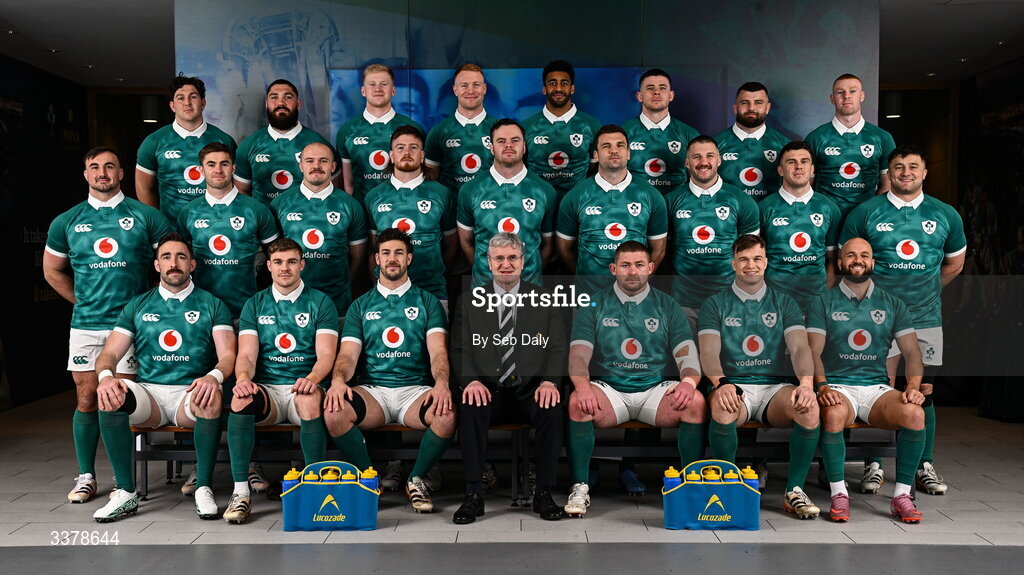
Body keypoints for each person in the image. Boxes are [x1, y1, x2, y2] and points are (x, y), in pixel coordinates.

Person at [43, 147, 173, 504]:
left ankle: (123, 480)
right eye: (95, 167)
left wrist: (148, 309)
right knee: (86, 397)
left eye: (110, 166)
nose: (102, 173)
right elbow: (52, 270)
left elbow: (170, 264)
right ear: (86, 175)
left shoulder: (146, 216)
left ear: (121, 174)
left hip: (131, 328)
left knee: (121, 401)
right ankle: (86, 476)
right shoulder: (66, 221)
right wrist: (82, 301)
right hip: (86, 324)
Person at [840, 145, 966, 496]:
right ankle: (873, 463)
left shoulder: (946, 214)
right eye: (898, 166)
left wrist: (924, 292)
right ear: (889, 173)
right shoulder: (865, 212)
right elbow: (850, 263)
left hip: (925, 318)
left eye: (913, 166)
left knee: (923, 392)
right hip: (873, 321)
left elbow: (954, 264)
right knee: (874, 388)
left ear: (925, 172)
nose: (905, 172)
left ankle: (923, 464)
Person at [91, 233, 236, 522]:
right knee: (110, 394)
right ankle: (125, 492)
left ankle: (203, 486)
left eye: (181, 257)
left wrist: (213, 376)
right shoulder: (138, 305)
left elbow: (229, 355)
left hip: (189, 395)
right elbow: (108, 355)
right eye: (166, 257)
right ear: (157, 265)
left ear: (192, 264)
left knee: (212, 394)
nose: (174, 263)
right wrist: (106, 377)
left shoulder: (212, 304)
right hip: (150, 395)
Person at [563, 241, 704, 517]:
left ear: (650, 268)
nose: (632, 272)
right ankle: (579, 487)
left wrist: (688, 382)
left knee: (695, 402)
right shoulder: (594, 304)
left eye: (639, 265)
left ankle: (690, 485)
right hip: (611, 390)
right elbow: (578, 355)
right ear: (613, 269)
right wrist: (582, 386)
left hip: (654, 390)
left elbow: (686, 354)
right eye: (625, 265)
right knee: (578, 402)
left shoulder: (667, 305)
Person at [324, 229, 456, 513]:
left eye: (398, 253)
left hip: (415, 391)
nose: (392, 259)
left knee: (446, 415)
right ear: (377, 259)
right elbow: (347, 355)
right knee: (334, 411)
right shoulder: (360, 305)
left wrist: (442, 383)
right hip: (374, 392)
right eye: (386, 253)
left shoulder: (428, 302)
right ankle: (369, 477)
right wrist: (338, 380)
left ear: (409, 258)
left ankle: (416, 479)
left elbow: (438, 352)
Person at [700, 235, 821, 519]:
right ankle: (726, 486)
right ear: (733, 264)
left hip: (773, 389)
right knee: (722, 405)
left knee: (809, 407)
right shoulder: (715, 303)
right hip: (733, 385)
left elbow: (800, 347)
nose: (750, 265)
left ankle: (794, 491)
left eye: (756, 259)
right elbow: (708, 351)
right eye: (743, 259)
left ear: (766, 263)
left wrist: (806, 384)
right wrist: (721, 383)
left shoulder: (785, 302)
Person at [450, 232, 567, 524]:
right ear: (488, 263)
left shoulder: (545, 300)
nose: (506, 264)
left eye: (512, 257)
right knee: (470, 405)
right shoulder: (468, 301)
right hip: (489, 391)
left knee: (552, 408)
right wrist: (471, 381)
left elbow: (557, 347)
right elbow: (460, 349)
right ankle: (473, 494)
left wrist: (550, 381)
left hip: (530, 391)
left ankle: (544, 492)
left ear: (523, 262)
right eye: (499, 258)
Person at [807, 237, 927, 523]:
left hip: (876, 389)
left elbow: (912, 353)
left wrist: (912, 388)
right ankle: (839, 494)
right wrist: (822, 386)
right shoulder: (822, 302)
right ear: (840, 262)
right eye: (850, 255)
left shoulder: (893, 303)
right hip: (838, 386)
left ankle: (902, 496)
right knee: (833, 414)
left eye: (864, 255)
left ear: (872, 262)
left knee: (915, 414)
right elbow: (813, 351)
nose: (857, 260)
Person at [224, 238, 339, 523]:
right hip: (270, 391)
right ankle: (240, 493)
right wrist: (242, 378)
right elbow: (247, 356)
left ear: (302, 265)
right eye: (278, 262)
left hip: (306, 385)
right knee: (240, 398)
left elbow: (326, 355)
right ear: (269, 266)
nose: (284, 268)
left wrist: (312, 378)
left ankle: (314, 488)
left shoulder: (320, 301)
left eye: (291, 262)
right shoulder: (255, 304)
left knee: (308, 399)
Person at [556, 125, 668, 294]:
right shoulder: (575, 196)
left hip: (635, 295)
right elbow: (564, 249)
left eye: (620, 145)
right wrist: (587, 277)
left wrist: (637, 282)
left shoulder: (651, 195)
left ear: (628, 153)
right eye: (606, 146)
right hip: (588, 296)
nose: (614, 150)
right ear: (596, 155)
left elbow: (658, 250)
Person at [664, 136, 760, 331]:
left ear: (719, 160)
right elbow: (663, 249)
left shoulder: (741, 200)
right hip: (683, 300)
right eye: (697, 157)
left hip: (729, 300)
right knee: (686, 350)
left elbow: (750, 256)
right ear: (687, 162)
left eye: (709, 156)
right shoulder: (670, 200)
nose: (704, 162)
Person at [177, 142, 279, 320]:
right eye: (211, 164)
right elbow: (183, 261)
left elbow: (277, 258)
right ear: (201, 170)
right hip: (201, 312)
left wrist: (260, 293)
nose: (218, 170)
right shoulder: (188, 212)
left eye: (224, 164)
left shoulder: (256, 210)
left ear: (233, 168)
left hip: (247, 312)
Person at [270, 142, 368, 318]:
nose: (316, 166)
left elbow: (358, 257)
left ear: (333, 166)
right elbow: (273, 253)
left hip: (337, 304)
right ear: (301, 166)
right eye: (310, 161)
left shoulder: (351, 205)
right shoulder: (280, 204)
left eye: (323, 161)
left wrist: (342, 282)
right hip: (291, 305)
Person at [364, 125, 457, 306]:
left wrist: (435, 272)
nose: (407, 152)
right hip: (386, 294)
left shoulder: (442, 194)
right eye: (400, 148)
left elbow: (451, 245)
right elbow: (372, 250)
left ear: (422, 155)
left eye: (413, 147)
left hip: (433, 292)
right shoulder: (374, 197)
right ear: (391, 155)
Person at [458, 118, 557, 286]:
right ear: (491, 147)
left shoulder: (545, 190)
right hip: (484, 290)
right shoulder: (470, 190)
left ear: (524, 147)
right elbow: (466, 243)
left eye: (515, 140)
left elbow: (547, 246)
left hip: (530, 289)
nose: (509, 145)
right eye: (501, 141)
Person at [136, 74, 238, 222]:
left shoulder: (224, 140)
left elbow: (236, 186)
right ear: (172, 106)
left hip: (216, 225)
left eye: (193, 97)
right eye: (180, 98)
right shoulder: (154, 141)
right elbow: (143, 188)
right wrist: (159, 224)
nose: (187, 103)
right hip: (172, 228)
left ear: (203, 103)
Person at [758, 141, 842, 313]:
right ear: (780, 170)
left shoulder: (829, 208)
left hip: (816, 304)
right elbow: (755, 259)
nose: (798, 167)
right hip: (773, 303)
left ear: (812, 169)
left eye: (804, 161)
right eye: (791, 162)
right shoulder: (763, 208)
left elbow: (832, 260)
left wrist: (825, 294)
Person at [805, 74, 896, 220]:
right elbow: (806, 184)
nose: (846, 96)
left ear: (862, 96)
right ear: (832, 98)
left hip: (866, 219)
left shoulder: (883, 138)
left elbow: (887, 185)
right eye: (840, 92)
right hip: (825, 219)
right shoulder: (815, 138)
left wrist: (873, 215)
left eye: (853, 91)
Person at [234, 78, 336, 206]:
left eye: (288, 97)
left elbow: (332, 191)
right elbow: (242, 192)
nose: (281, 103)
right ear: (266, 104)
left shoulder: (319, 144)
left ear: (298, 104)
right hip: (264, 217)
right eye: (274, 97)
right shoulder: (248, 145)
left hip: (306, 217)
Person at [336, 64, 424, 203]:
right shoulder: (347, 131)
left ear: (393, 90)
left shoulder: (412, 128)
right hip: (362, 208)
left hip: (402, 207)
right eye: (372, 84)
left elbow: (422, 176)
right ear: (363, 91)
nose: (378, 89)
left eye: (384, 84)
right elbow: (349, 183)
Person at [522, 60, 602, 201]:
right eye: (552, 83)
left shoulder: (591, 125)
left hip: (579, 203)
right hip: (537, 203)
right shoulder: (526, 127)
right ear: (544, 89)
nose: (558, 88)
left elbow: (596, 167)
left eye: (564, 83)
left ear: (572, 88)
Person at [621, 69, 699, 194]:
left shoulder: (689, 134)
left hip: (676, 204)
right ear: (639, 96)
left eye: (662, 88)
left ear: (671, 95)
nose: (656, 92)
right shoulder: (623, 132)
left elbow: (698, 181)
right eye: (650, 88)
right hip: (635, 203)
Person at [424, 64, 497, 194]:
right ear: (455, 90)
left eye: (476, 85)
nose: (470, 91)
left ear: (484, 88)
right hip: (451, 205)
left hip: (491, 204)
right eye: (464, 85)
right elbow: (431, 180)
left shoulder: (500, 129)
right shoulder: (438, 132)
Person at [715, 82, 791, 202]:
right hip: (728, 212)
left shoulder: (785, 146)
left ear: (767, 108)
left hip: (771, 213)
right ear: (735, 108)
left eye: (758, 102)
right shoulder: (715, 145)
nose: (751, 108)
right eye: (744, 103)